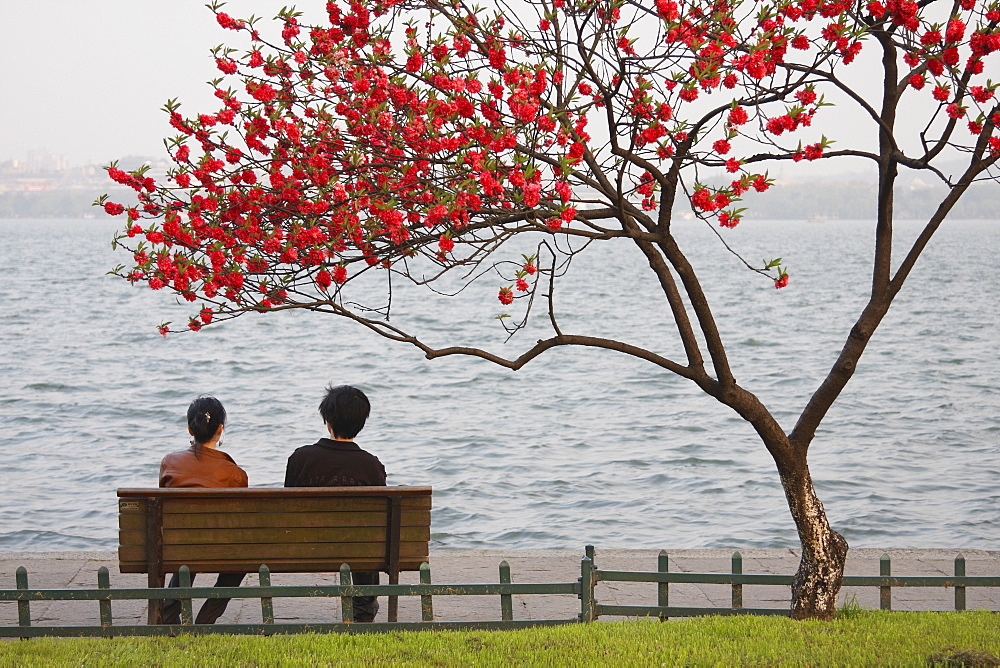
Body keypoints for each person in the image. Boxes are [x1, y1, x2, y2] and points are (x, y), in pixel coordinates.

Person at [284, 385, 386, 622]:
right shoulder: (371, 465)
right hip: (360, 550)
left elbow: (288, 508)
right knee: (367, 538)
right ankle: (364, 606)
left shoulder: (300, 458)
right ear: (362, 423)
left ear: (327, 419)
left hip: (306, 545)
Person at [159, 395, 247, 625]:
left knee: (187, 542)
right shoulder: (235, 473)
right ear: (220, 429)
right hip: (217, 550)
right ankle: (206, 621)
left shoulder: (169, 462)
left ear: (190, 429)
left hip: (175, 547)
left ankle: (168, 614)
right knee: (241, 560)